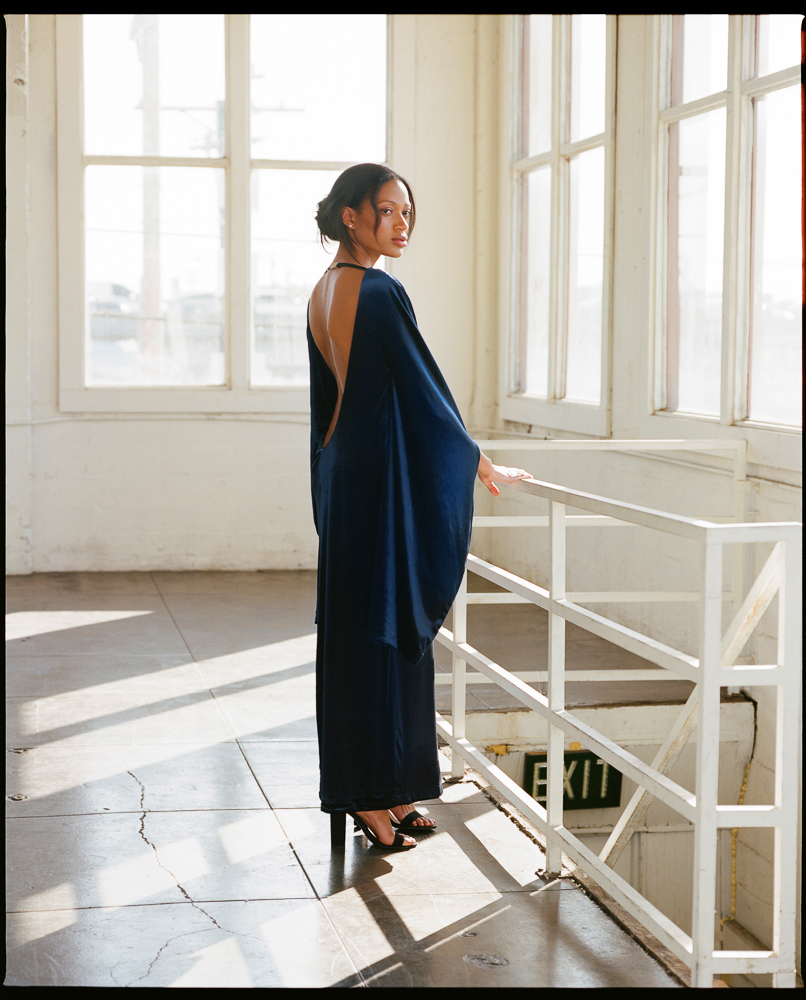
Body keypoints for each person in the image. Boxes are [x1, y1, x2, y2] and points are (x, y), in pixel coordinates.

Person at [308, 163, 530, 851]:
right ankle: (371, 799)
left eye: (407, 212)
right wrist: (479, 462)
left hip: (347, 477)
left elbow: (330, 405)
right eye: (388, 210)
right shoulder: (378, 292)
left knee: (365, 632)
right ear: (351, 215)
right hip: (378, 486)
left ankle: (391, 790)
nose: (402, 224)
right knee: (384, 631)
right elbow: (426, 394)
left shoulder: (323, 289)